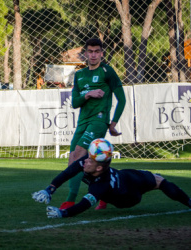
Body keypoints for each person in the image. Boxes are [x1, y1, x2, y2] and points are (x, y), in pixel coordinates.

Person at [32, 138, 191, 218]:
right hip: (123, 175)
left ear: (99, 167)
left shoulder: (100, 185)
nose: (85, 160)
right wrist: (49, 190)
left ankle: (189, 202)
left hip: (129, 195)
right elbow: (67, 173)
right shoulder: (91, 163)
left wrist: (63, 213)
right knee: (157, 179)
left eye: (90, 160)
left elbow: (83, 205)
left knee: (159, 181)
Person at [60, 38, 126, 211]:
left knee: (79, 155)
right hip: (83, 121)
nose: (94, 55)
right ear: (86, 54)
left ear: (102, 53)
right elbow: (74, 103)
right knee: (73, 160)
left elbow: (122, 99)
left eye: (97, 51)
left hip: (99, 120)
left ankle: (70, 201)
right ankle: (103, 195)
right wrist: (88, 94)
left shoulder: (107, 71)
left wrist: (112, 123)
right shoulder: (80, 75)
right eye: (90, 51)